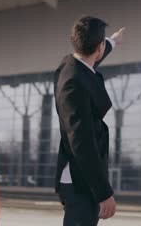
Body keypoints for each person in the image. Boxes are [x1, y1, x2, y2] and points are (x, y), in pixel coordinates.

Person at [54, 16, 125, 226]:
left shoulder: (68, 66)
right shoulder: (74, 84)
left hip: (81, 178)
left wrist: (112, 41)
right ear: (98, 47)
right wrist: (104, 192)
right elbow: (81, 143)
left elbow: (90, 59)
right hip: (80, 180)